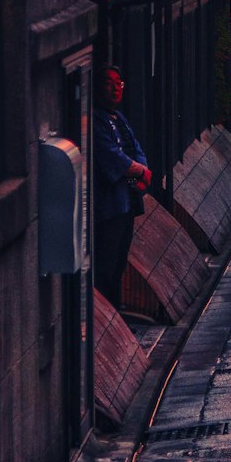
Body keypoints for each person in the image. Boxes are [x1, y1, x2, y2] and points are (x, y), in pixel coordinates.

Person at [93, 66, 150, 309]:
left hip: (126, 201)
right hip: (108, 203)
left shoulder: (118, 117)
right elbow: (111, 157)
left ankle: (116, 312)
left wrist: (141, 169)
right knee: (106, 263)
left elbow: (135, 147)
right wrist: (139, 170)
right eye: (110, 83)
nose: (117, 89)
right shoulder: (96, 119)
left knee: (118, 261)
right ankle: (110, 311)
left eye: (120, 83)